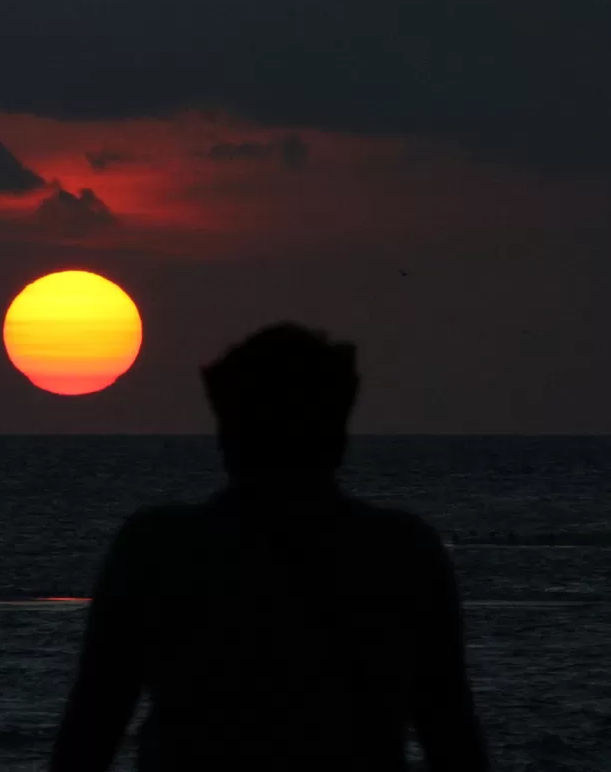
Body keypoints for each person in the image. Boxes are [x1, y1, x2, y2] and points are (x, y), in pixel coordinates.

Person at [49, 323, 490, 771]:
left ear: (229, 432)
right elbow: (452, 736)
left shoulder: (156, 550)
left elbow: (90, 731)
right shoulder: (402, 553)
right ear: (336, 433)